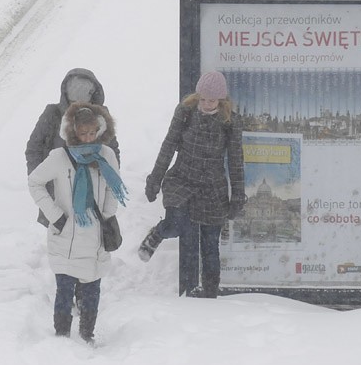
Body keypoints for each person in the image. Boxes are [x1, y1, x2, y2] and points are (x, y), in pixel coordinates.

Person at [138, 70, 245, 299]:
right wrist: (154, 180)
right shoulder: (185, 112)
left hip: (212, 189)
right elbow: (168, 146)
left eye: (212, 100)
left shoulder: (230, 122)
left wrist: (237, 195)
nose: (207, 104)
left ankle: (209, 296)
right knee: (179, 226)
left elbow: (236, 161)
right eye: (203, 99)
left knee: (210, 247)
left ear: (222, 100)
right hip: (183, 180)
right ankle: (158, 235)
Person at [28, 102, 127, 343]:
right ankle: (61, 337)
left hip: (95, 238)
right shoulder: (60, 157)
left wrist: (106, 214)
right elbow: (35, 182)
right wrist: (56, 216)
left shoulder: (106, 155)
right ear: (73, 132)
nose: (88, 138)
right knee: (64, 290)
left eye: (92, 132)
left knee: (92, 290)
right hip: (66, 237)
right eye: (83, 133)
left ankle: (86, 335)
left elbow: (114, 189)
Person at [25, 68, 120, 227]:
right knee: (61, 234)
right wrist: (44, 178)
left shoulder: (101, 119)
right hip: (57, 192)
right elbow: (33, 148)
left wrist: (107, 182)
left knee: (90, 236)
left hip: (93, 192)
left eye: (84, 91)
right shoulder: (53, 114)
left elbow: (112, 153)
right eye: (75, 90)